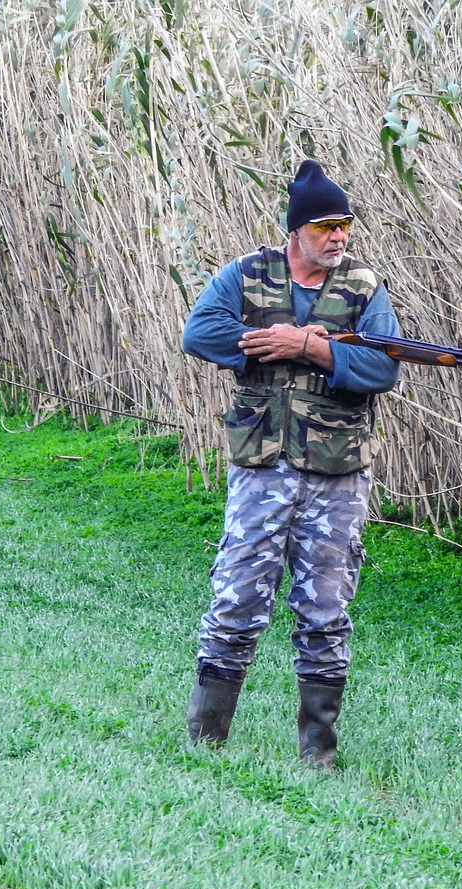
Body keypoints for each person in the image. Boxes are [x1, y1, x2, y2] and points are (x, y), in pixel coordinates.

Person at [180, 159, 402, 769]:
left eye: (345, 226)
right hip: (262, 465)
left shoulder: (364, 287)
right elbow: (199, 334)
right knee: (236, 601)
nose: (339, 237)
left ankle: (318, 757)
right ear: (297, 229)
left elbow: (384, 367)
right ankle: (205, 744)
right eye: (327, 226)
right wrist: (268, 344)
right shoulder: (247, 274)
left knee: (326, 611)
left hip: (338, 472)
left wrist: (309, 347)